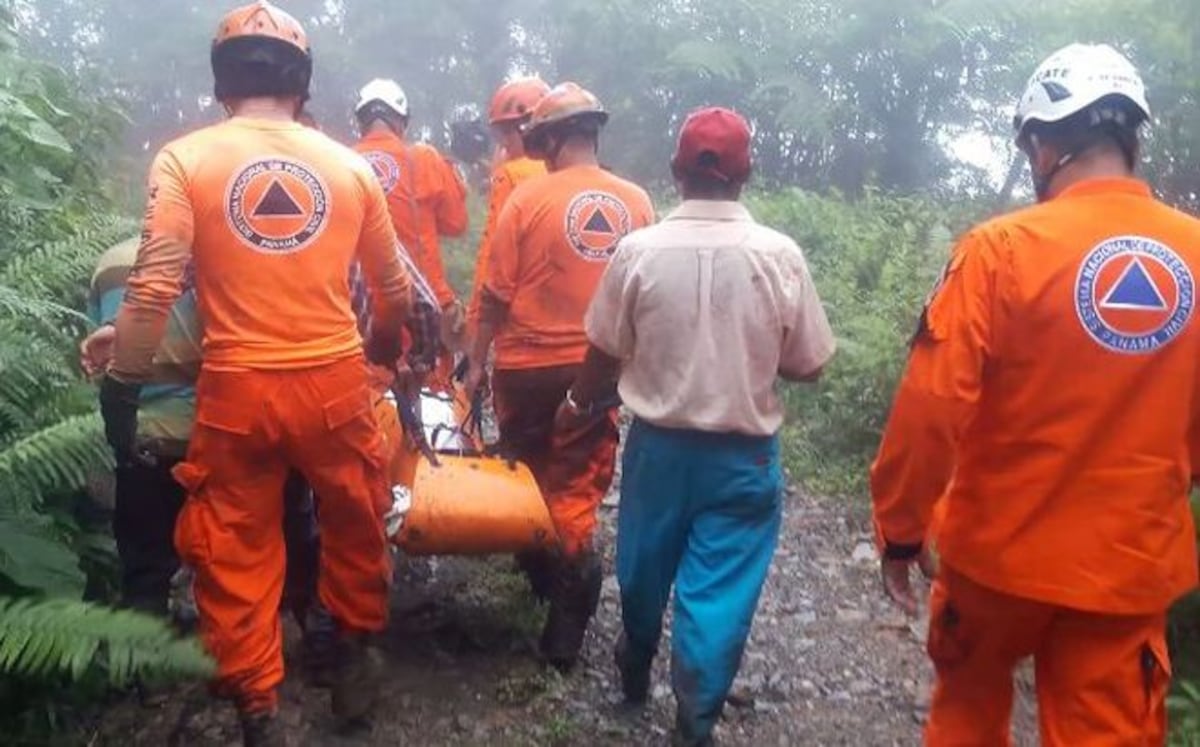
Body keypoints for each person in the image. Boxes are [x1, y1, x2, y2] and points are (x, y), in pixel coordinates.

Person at [101, 2, 417, 743]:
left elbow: (153, 286)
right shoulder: (349, 166)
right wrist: (380, 344)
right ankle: (355, 651)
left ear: (221, 83)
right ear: (302, 85)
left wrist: (122, 389)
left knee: (235, 543)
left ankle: (256, 706)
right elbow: (394, 290)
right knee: (354, 518)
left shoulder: (184, 159)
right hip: (335, 382)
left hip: (235, 392)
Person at [871, 44, 1200, 746]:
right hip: (1127, 567)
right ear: (1131, 140)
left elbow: (931, 404)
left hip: (994, 560)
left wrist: (901, 530)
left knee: (966, 717)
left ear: (1044, 145)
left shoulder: (999, 250)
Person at [574, 107, 835, 746]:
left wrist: (577, 403)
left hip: (658, 450)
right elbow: (808, 365)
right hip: (744, 459)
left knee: (642, 566)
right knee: (718, 591)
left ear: (675, 170)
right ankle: (694, 717)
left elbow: (604, 350)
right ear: (746, 174)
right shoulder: (780, 255)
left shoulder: (637, 251)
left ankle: (636, 658)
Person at [465, 82, 655, 671]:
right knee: (575, 479)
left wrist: (475, 362)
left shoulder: (527, 199)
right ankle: (563, 567)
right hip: (596, 370)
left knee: (525, 466)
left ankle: (551, 568)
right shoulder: (637, 203)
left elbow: (495, 293)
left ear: (547, 140)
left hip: (524, 367)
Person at [352, 78, 469, 377]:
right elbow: (455, 224)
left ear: (361, 121)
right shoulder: (423, 157)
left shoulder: (342, 161)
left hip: (363, 312)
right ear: (401, 122)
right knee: (434, 397)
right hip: (426, 308)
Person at [465, 76, 550, 342]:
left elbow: (493, 256)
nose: (503, 143)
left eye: (505, 133)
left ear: (527, 129)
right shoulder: (565, 170)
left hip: (520, 325)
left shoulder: (511, 175)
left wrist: (474, 324)